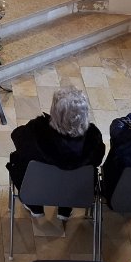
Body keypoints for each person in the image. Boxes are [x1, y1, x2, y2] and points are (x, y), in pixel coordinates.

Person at [7, 86, 104, 220]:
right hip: (74, 192)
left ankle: (34, 205)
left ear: (55, 110)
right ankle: (65, 209)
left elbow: (17, 137)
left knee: (20, 160)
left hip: (37, 188)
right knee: (80, 173)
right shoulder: (93, 137)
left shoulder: (37, 130)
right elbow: (98, 159)